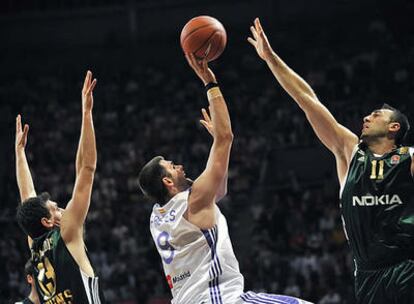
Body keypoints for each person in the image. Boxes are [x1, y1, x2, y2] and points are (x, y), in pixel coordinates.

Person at [248, 17, 414, 304]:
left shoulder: (408, 159)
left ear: (394, 128)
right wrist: (271, 59)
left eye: (376, 115)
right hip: (368, 276)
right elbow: (306, 99)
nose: (366, 117)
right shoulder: (349, 151)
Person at [138, 53, 312, 304]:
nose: (181, 167)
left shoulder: (157, 216)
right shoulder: (193, 201)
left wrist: (219, 142)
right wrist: (210, 82)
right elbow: (226, 137)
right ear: (167, 182)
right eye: (173, 166)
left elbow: (218, 189)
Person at [15, 71, 105, 303]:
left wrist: (19, 154)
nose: (62, 210)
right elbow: (87, 168)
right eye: (56, 209)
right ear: (47, 221)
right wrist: (87, 114)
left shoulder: (34, 245)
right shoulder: (67, 232)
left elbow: (28, 198)